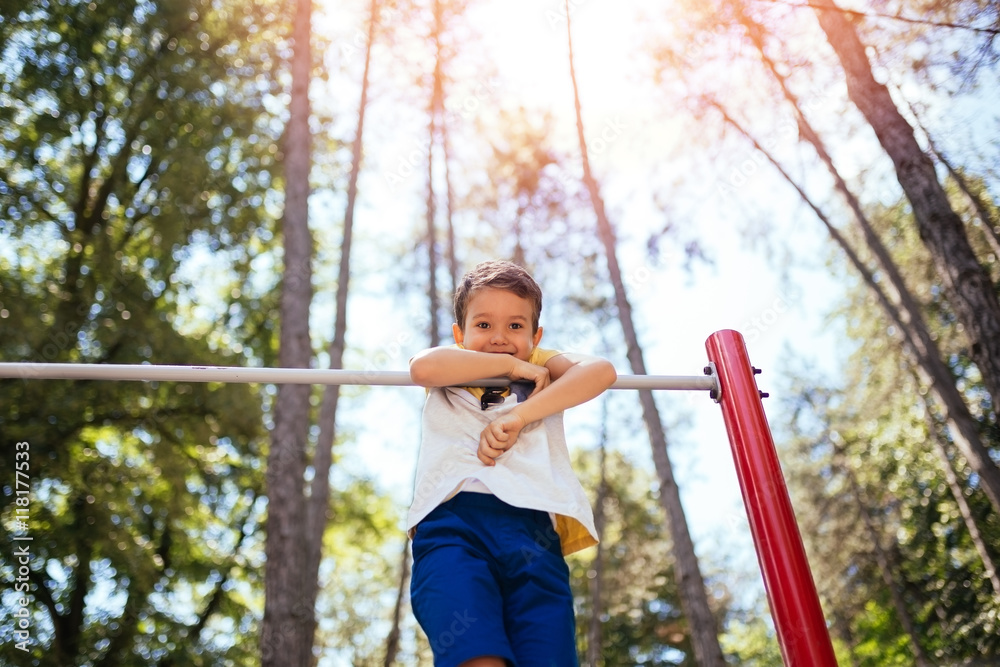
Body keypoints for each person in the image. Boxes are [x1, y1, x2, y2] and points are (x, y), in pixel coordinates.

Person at [407, 259, 617, 667]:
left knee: (546, 653)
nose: (499, 337)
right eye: (483, 324)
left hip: (533, 531)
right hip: (452, 523)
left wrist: (519, 416)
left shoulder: (543, 363)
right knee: (474, 650)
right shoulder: (454, 360)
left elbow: (601, 371)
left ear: (535, 336)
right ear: (460, 333)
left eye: (515, 326)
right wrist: (509, 365)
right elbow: (423, 367)